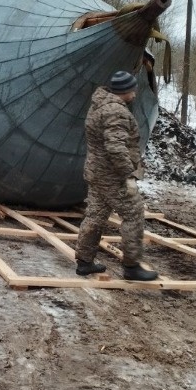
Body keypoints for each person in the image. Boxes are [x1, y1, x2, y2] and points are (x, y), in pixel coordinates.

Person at [75, 70, 158, 281]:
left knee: (95, 216)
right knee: (134, 214)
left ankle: (84, 262)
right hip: (112, 176)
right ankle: (132, 267)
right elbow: (115, 147)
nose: (135, 92)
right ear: (125, 91)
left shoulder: (99, 105)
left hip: (96, 172)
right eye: (133, 88)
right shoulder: (116, 112)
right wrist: (128, 175)